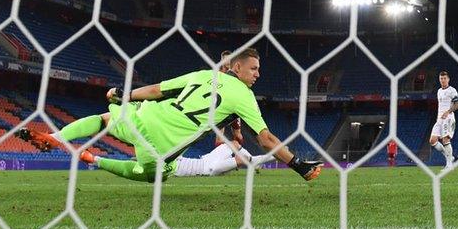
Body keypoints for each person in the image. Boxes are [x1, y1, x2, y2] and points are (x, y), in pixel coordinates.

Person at [16, 48, 323, 182]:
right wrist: (298, 165)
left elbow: (156, 90)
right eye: (254, 69)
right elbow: (266, 139)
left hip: (145, 114)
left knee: (104, 120)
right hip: (162, 143)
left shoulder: (204, 74)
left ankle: (56, 136)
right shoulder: (243, 94)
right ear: (237, 68)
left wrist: (124, 94)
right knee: (149, 175)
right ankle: (94, 160)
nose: (258, 74)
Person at [173, 141, 274, 177]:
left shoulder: (168, 155)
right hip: (209, 169)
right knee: (242, 159)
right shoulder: (164, 168)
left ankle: (253, 162)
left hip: (205, 159)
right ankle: (276, 156)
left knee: (233, 144)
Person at [429, 71, 458, 169]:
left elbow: (457, 104)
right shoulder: (439, 91)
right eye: (441, 78)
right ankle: (450, 157)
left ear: (448, 79)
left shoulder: (452, 90)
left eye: (444, 78)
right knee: (432, 140)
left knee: (445, 140)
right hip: (439, 119)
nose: (443, 80)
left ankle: (449, 165)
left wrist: (448, 111)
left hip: (448, 117)